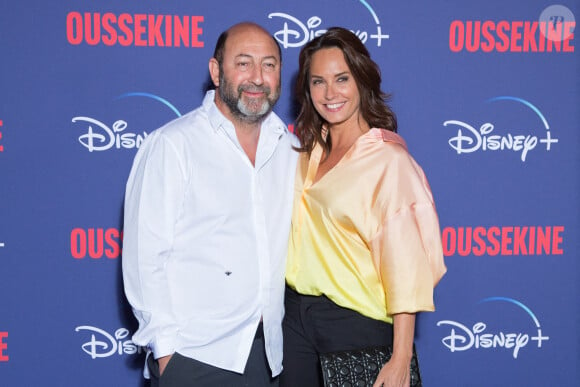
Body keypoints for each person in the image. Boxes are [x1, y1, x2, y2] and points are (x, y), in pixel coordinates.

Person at [122, 22, 298, 387]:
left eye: (269, 65)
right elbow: (145, 258)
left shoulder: (290, 149)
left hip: (268, 358)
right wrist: (167, 353)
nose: (257, 77)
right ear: (216, 71)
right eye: (243, 63)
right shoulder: (173, 145)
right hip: (195, 356)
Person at [281, 27, 447, 387]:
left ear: (362, 80)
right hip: (293, 320)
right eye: (318, 82)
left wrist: (401, 356)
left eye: (342, 79)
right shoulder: (303, 151)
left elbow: (406, 266)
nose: (330, 93)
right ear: (307, 90)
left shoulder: (389, 161)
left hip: (355, 325)